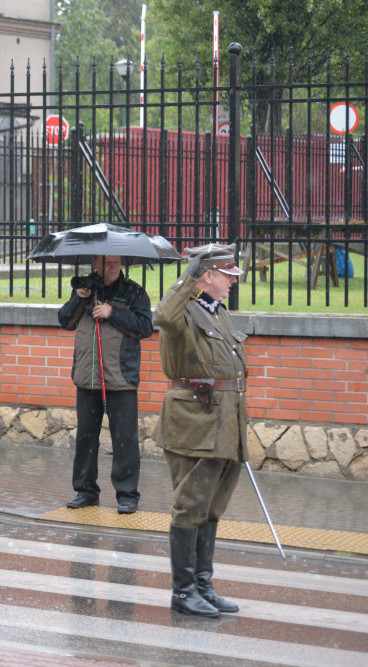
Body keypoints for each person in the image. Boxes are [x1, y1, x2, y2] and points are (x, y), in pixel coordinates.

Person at [153, 243, 246, 618]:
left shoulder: (218, 313)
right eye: (227, 276)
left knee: (211, 507)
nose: (231, 284)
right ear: (207, 276)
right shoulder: (182, 313)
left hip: (225, 424)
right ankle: (183, 590)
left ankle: (203, 585)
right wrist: (189, 275)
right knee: (190, 506)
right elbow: (163, 314)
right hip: (194, 423)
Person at [57, 255, 152, 514]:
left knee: (125, 439)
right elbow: (65, 320)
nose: (110, 267)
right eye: (105, 262)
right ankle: (85, 491)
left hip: (120, 378)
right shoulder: (86, 291)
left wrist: (113, 313)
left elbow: (145, 327)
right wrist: (80, 296)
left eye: (115, 262)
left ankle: (127, 495)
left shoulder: (134, 293)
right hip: (87, 378)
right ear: (94, 264)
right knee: (86, 437)